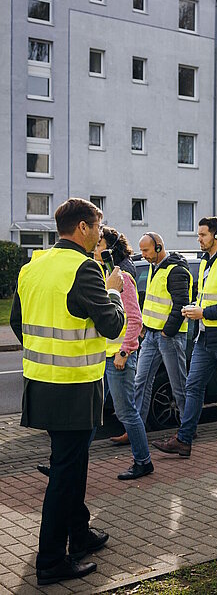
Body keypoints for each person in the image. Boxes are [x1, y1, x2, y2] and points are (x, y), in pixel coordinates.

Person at [11, 198, 125, 586]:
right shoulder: (86, 269)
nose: (100, 233)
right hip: (74, 387)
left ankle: (80, 534)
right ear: (82, 228)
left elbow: (16, 321)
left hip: (41, 385)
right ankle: (50, 561)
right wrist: (113, 293)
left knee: (71, 464)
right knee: (66, 473)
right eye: (98, 225)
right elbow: (112, 326)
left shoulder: (34, 264)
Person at [152, 217, 217, 458]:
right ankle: (184, 440)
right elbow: (208, 297)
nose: (199, 238)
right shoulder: (207, 263)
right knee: (193, 386)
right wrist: (195, 308)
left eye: (203, 235)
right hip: (205, 338)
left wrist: (203, 312)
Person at [94, 227, 153, 480]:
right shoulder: (100, 277)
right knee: (92, 411)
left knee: (126, 411)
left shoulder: (122, 279)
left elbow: (135, 321)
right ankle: (66, 462)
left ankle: (143, 461)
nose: (94, 248)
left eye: (99, 245)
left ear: (110, 250)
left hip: (117, 358)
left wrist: (125, 352)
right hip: (99, 357)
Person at [132, 232, 191, 441]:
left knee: (179, 385)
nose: (143, 255)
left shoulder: (176, 270)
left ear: (158, 247)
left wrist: (167, 331)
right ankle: (135, 429)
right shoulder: (154, 267)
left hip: (169, 337)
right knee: (141, 381)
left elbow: (181, 304)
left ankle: (187, 431)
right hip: (151, 335)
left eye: (146, 250)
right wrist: (145, 326)